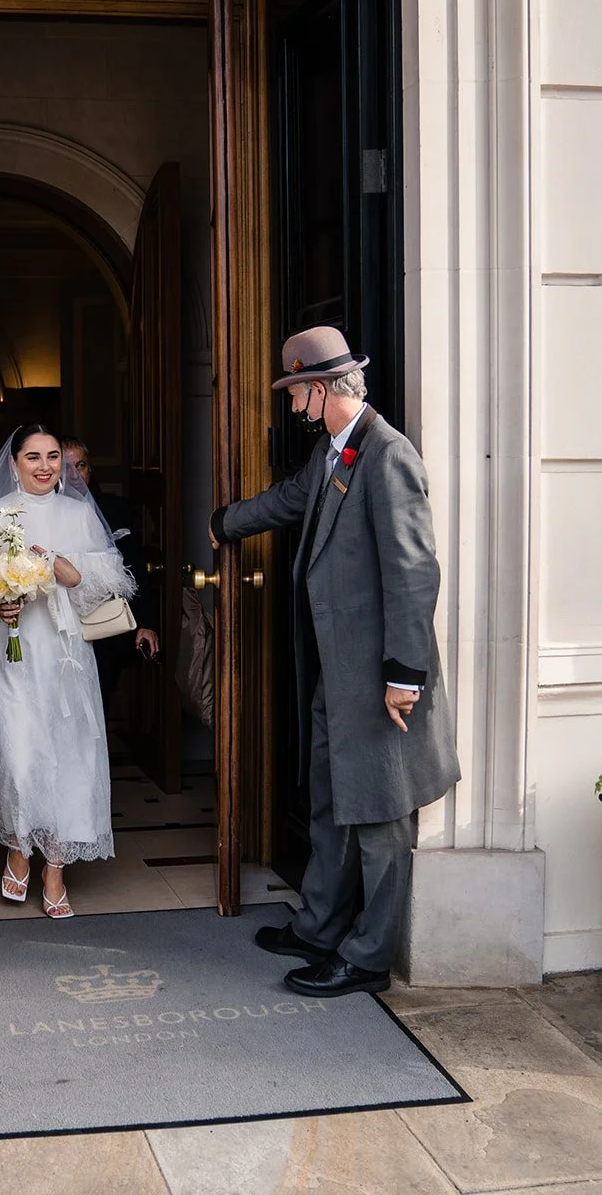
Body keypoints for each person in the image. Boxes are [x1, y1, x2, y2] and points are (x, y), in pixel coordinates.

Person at [210, 328, 460, 997]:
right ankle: (319, 926)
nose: (291, 407)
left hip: (381, 678)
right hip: (338, 673)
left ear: (320, 389)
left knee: (379, 818)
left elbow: (413, 570)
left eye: (295, 394)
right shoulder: (334, 451)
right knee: (330, 799)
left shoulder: (387, 455)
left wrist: (404, 673)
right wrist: (224, 522)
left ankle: (367, 956)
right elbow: (291, 499)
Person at [0, 423, 133, 919]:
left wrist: (72, 573)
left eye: (52, 457)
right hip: (13, 655)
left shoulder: (78, 512)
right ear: (13, 463)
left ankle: (56, 868)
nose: (45, 466)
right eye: (33, 457)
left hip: (66, 657)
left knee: (69, 757)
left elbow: (111, 582)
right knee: (19, 755)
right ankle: (19, 846)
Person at [60, 437, 160, 714]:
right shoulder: (37, 516)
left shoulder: (114, 510)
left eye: (80, 465)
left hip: (103, 629)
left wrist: (146, 623)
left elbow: (135, 568)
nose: (74, 474)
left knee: (97, 709)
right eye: (65, 466)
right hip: (56, 630)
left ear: (90, 470)